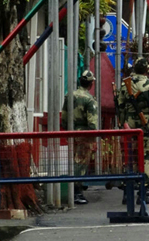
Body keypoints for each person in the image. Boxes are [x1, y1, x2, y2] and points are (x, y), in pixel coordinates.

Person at [117, 58, 149, 204]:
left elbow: (120, 106)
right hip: (146, 127)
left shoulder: (125, 84)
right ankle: (143, 193)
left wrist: (122, 124)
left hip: (129, 127)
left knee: (130, 159)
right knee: (147, 159)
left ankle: (127, 192)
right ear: (146, 71)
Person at [60, 70, 98, 205]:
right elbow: (93, 123)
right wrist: (93, 140)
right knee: (81, 163)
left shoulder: (69, 96)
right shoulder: (89, 100)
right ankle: (77, 192)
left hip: (72, 133)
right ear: (91, 84)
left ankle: (73, 190)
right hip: (85, 135)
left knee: (73, 161)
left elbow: (63, 118)